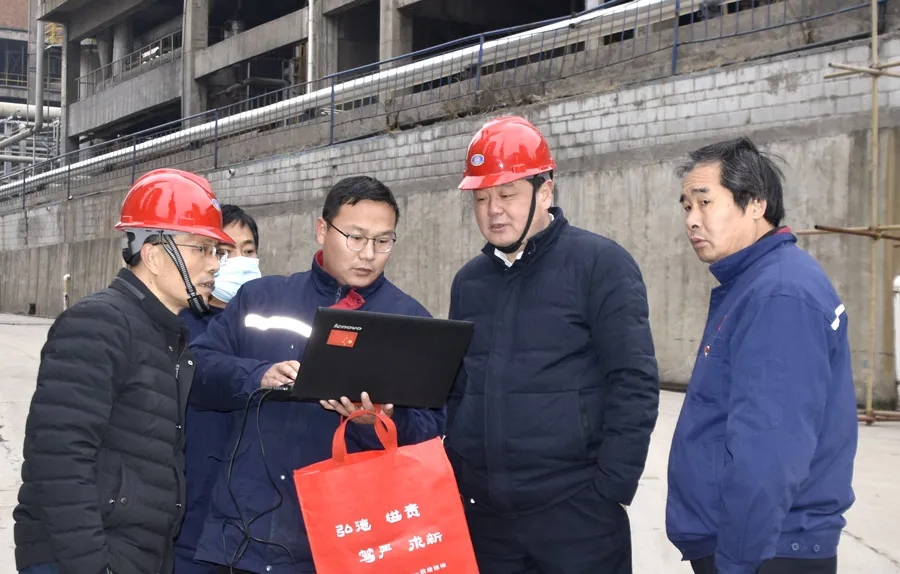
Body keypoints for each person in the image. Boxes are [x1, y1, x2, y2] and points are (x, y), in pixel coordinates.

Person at [185, 175, 445, 574]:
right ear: (322, 229)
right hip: (241, 537)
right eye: (355, 237)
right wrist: (258, 376)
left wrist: (379, 421)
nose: (368, 254)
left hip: (340, 545)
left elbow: (431, 431)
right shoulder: (261, 300)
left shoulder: (410, 322)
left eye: (383, 241)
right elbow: (196, 370)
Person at [443, 115, 660, 574]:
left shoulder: (600, 264)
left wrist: (610, 488)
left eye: (507, 194)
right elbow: (460, 386)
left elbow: (634, 381)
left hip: (576, 512)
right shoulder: (469, 282)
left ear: (545, 191)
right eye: (481, 198)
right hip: (488, 518)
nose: (493, 210)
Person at [13, 168, 233, 574]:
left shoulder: (165, 336)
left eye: (217, 252)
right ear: (153, 254)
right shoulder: (100, 324)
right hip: (81, 558)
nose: (214, 266)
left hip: (132, 554)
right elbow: (59, 460)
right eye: (202, 249)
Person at [667, 137, 858, 574]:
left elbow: (770, 449)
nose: (692, 220)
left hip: (765, 549)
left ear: (756, 204)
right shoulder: (757, 283)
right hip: (757, 543)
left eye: (705, 202)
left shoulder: (779, 294)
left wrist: (737, 560)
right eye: (686, 207)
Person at [175, 204, 262, 574]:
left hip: (252, 523)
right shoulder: (179, 326)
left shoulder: (266, 328)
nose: (239, 261)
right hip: (189, 517)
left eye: (248, 250)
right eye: (225, 251)